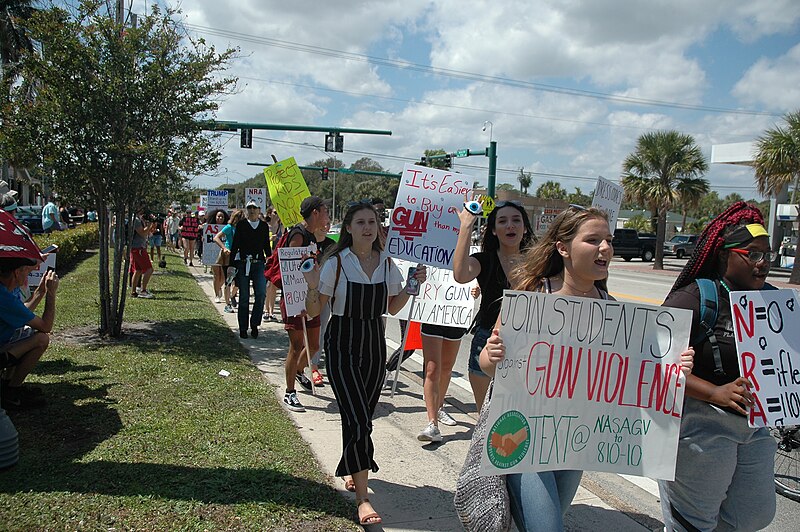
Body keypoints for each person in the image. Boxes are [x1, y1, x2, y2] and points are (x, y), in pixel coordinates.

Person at [479, 206, 694, 531]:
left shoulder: (611, 308)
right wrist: (491, 355)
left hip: (573, 443)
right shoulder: (534, 297)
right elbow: (488, 366)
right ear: (563, 248)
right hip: (523, 436)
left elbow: (633, 378)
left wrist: (675, 370)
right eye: (593, 240)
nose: (605, 248)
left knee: (545, 522)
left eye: (607, 240)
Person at [303, 201, 427, 526]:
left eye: (372, 222)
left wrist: (415, 282)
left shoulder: (387, 264)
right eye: (360, 222)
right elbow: (315, 312)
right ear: (348, 228)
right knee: (357, 418)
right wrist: (313, 285)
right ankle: (362, 497)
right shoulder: (336, 264)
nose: (368, 228)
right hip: (342, 346)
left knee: (363, 418)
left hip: (374, 346)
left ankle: (351, 465)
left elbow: (395, 306)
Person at [658, 201, 777, 532]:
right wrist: (715, 392)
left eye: (768, 253)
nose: (763, 262)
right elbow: (654, 362)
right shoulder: (695, 298)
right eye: (752, 253)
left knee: (753, 515)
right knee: (693, 523)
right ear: (725, 255)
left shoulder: (773, 300)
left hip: (755, 427)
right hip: (700, 428)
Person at [453, 200, 535, 412]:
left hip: (529, 345)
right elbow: (461, 274)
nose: (510, 225)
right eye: (503, 221)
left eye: (516, 220)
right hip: (487, 341)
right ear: (493, 230)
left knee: (519, 413)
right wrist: (465, 226)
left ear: (525, 228)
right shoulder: (485, 260)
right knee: (486, 415)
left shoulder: (538, 263)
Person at [280, 196, 329, 411]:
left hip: (311, 297)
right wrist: (297, 300)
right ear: (315, 213)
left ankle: (299, 372)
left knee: (315, 345)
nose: (328, 216)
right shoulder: (298, 235)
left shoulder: (312, 236)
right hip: (296, 300)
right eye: (325, 211)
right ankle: (289, 392)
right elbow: (291, 269)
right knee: (296, 346)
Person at [0, 254, 57, 410]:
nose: (28, 274)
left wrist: (40, 292)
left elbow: (20, 313)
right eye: (26, 271)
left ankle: (5, 384)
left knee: (22, 331)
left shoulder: (4, 290)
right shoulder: (3, 297)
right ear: (17, 272)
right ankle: (11, 392)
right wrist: (51, 294)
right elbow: (45, 326)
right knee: (41, 339)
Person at [229, 200, 271, 339]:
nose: (252, 210)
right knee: (244, 297)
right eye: (249, 208)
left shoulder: (264, 226)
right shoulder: (241, 225)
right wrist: (231, 264)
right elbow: (235, 245)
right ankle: (243, 327)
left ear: (259, 210)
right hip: (243, 263)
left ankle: (254, 324)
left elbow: (266, 246)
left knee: (260, 294)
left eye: (254, 208)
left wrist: (270, 262)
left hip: (259, 263)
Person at [214, 209, 242, 313]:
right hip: (228, 256)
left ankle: (231, 295)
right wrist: (224, 248)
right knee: (228, 280)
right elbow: (216, 237)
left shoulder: (243, 229)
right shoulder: (229, 227)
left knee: (238, 282)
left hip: (239, 257)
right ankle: (227, 304)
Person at [130, 207, 156, 299]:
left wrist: (150, 225)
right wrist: (149, 225)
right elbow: (142, 233)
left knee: (138, 270)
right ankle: (143, 291)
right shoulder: (136, 220)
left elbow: (147, 233)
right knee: (149, 269)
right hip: (138, 249)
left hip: (137, 248)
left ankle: (133, 291)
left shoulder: (138, 219)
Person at [264, 205, 283, 322]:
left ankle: (271, 311)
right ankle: (266, 310)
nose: (277, 215)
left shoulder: (282, 227)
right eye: (275, 212)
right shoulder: (265, 226)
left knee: (274, 285)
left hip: (278, 258)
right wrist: (269, 240)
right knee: (268, 285)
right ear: (270, 213)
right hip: (267, 257)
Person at [206, 209, 229, 303]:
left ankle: (218, 287)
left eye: (222, 217)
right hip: (213, 253)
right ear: (215, 217)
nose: (220, 218)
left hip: (224, 253)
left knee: (223, 276)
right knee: (216, 274)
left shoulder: (227, 227)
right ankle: (216, 295)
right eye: (218, 216)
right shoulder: (208, 227)